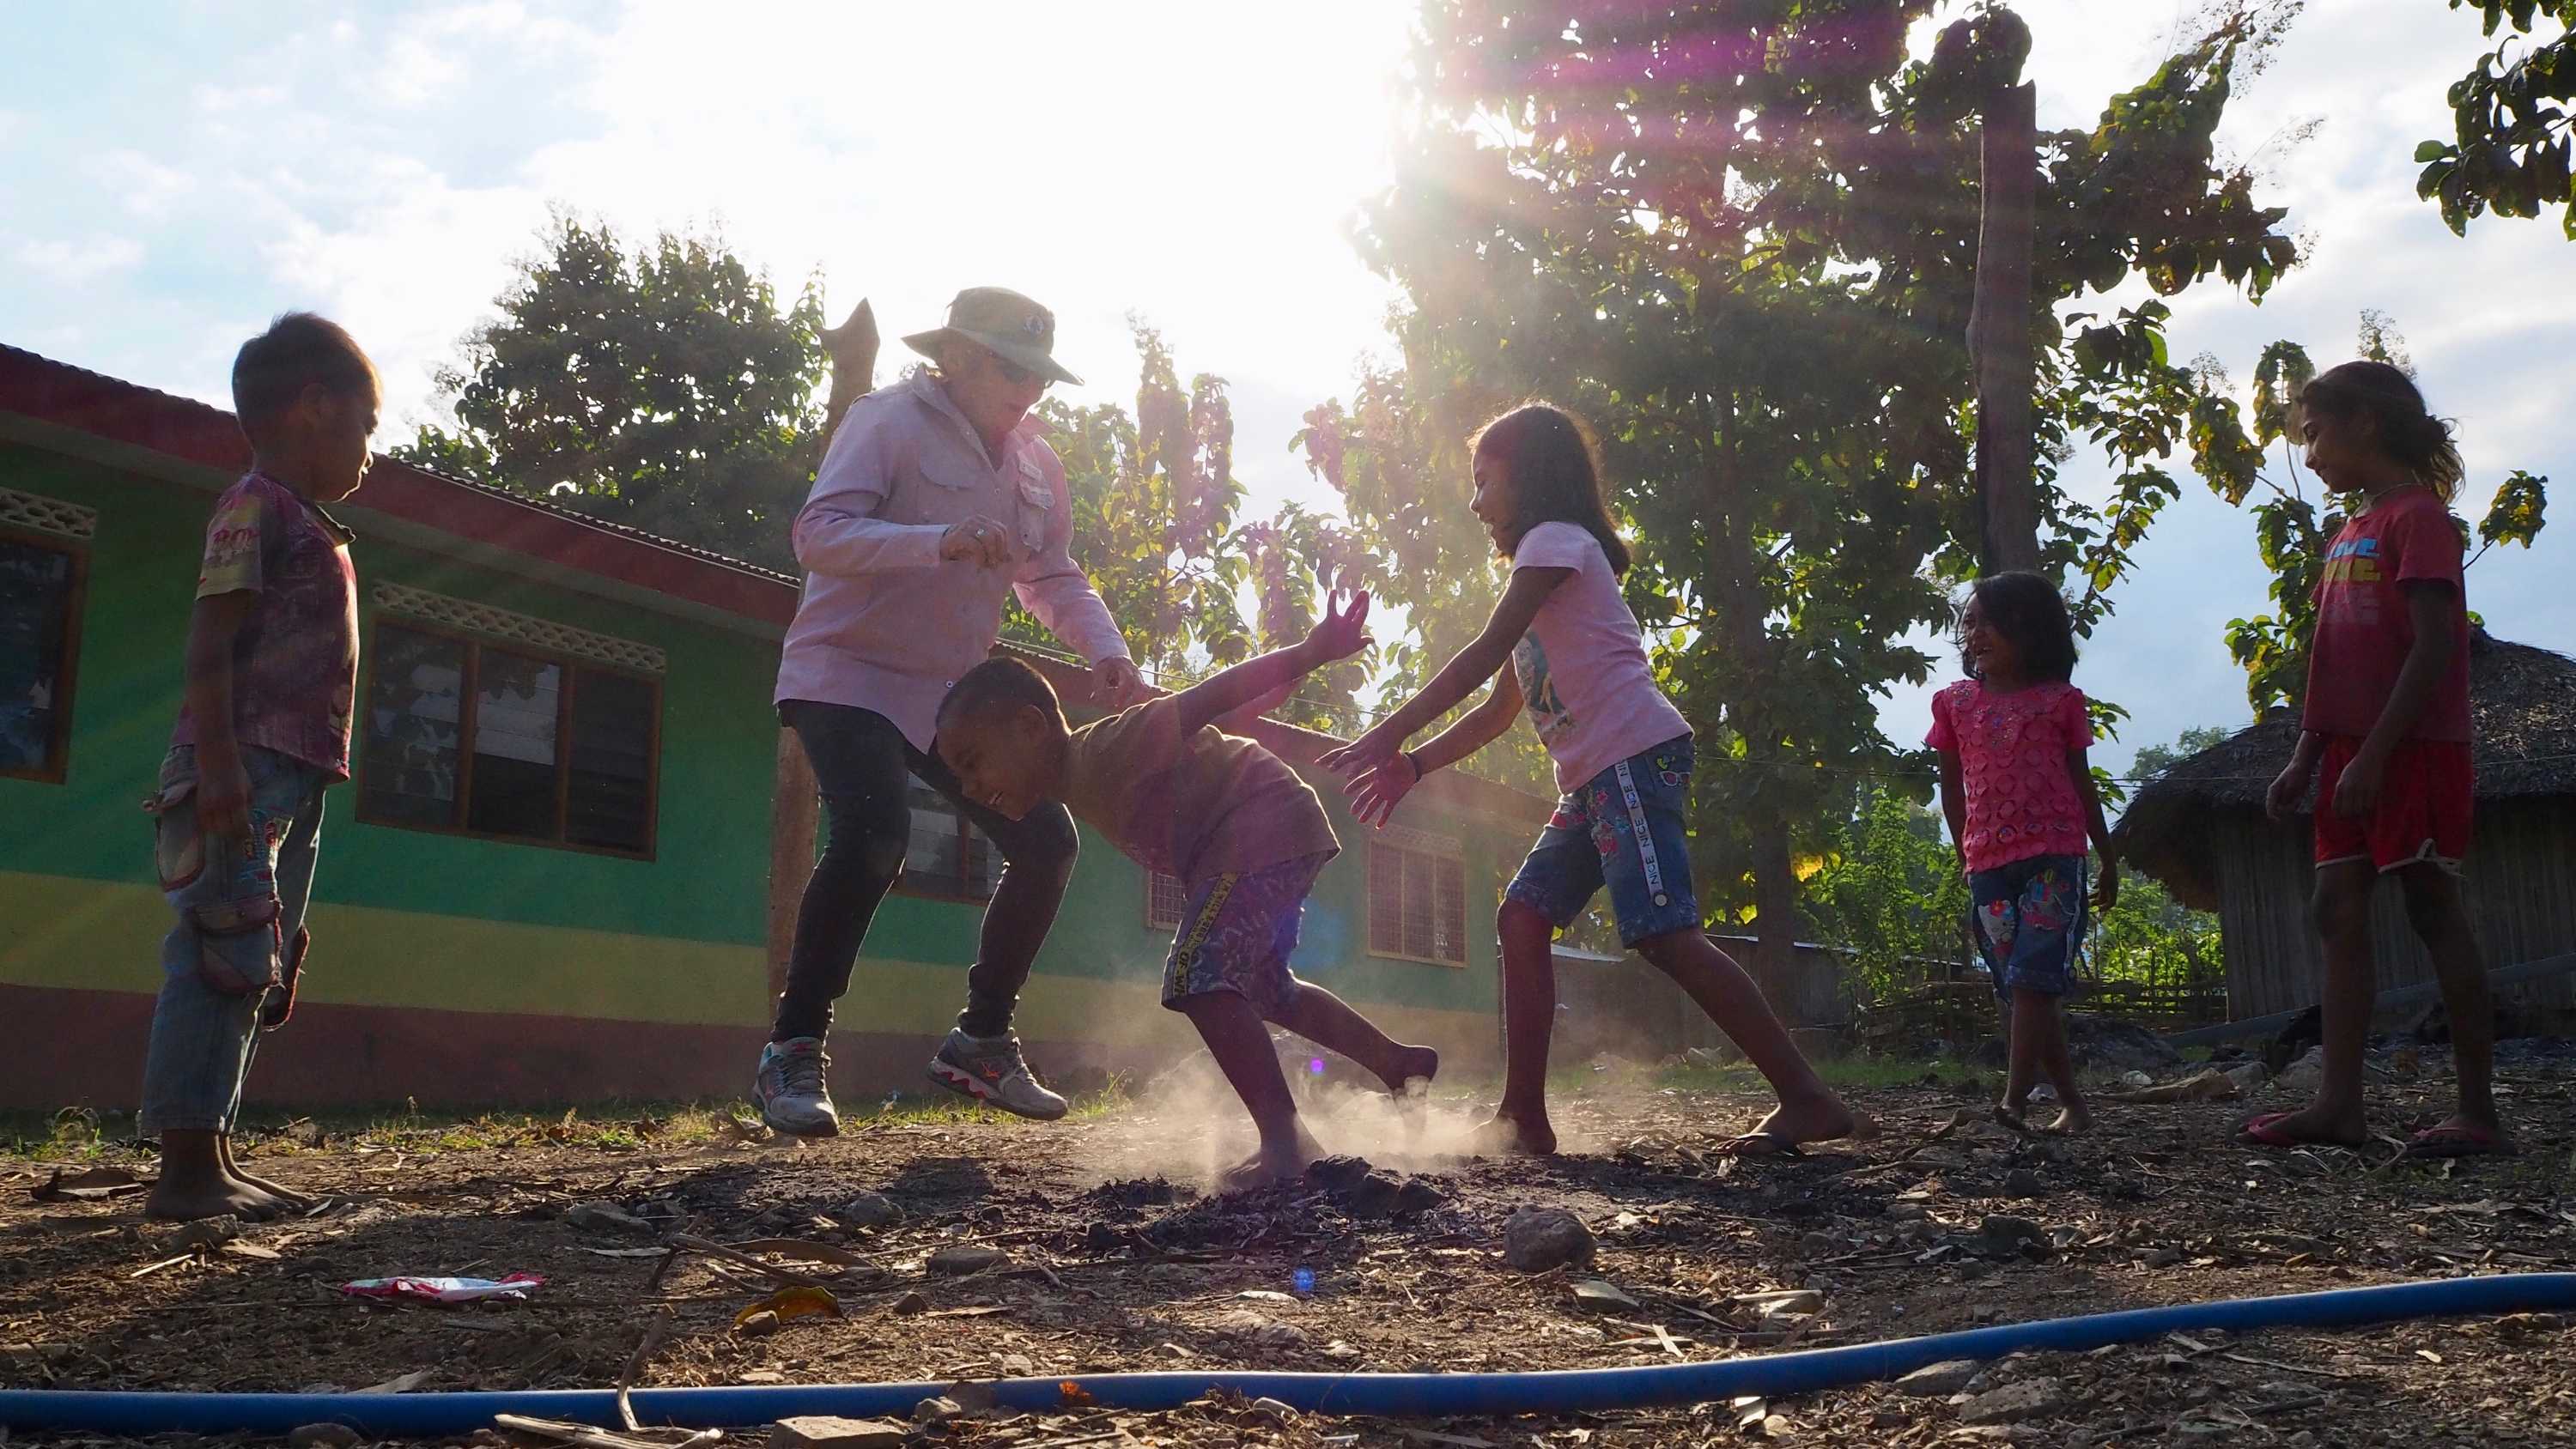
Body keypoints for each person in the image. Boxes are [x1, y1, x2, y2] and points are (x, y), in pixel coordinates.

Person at [1318, 402, 1854, 1158]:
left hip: (1632, 758)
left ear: (1529, 476)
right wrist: (1411, 766)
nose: (1475, 504)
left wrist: (1387, 731)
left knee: (1666, 934)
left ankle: (1807, 1097)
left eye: (1482, 482)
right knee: (1523, 919)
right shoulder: (1541, 576)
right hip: (1595, 781)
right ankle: (1524, 1121)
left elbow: (1480, 653)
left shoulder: (1556, 542)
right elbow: (1498, 712)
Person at [759, 287, 1150, 1137]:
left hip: (946, 691)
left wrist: (1108, 649)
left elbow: (1050, 576)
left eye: (1041, 373)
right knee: (873, 831)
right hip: (845, 669)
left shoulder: (1036, 464)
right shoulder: (887, 420)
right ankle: (793, 1048)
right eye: (1013, 368)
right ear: (960, 358)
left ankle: (981, 1038)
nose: (1030, 389)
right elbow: (818, 535)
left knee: (1048, 836)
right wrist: (933, 540)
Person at [935, 592, 1441, 1187]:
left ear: (1029, 728)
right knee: (1265, 987)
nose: (969, 789)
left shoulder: (1106, 748)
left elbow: (1210, 700)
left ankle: (1288, 1141)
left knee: (1195, 974)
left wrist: (1309, 652)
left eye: (973, 763)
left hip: (1260, 827)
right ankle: (1398, 1064)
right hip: (1272, 832)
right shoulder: (1082, 779)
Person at [142, 312, 378, 1222]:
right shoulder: (255, 506)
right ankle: (186, 1172)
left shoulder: (312, 524)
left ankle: (215, 1150)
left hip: (295, 773)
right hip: (244, 766)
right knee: (219, 954)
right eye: (365, 424)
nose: (370, 450)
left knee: (259, 960)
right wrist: (223, 766)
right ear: (313, 407)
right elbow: (212, 643)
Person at [2243, 361, 2508, 1158]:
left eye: (2315, 433)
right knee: (2334, 910)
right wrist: (2308, 755)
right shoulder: (2348, 533)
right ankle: (2338, 1106)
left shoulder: (2419, 520)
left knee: (2431, 907)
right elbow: (2331, 660)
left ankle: (2478, 1113)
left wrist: (2379, 754)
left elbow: (2434, 648)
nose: (2310, 453)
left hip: (2415, 747)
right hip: (2351, 751)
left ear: (2365, 424)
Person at [1929, 571, 2117, 1136]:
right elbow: (1951, 786)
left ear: (2030, 631)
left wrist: (2106, 856)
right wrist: (1969, 854)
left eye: (1990, 622)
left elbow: (2082, 784)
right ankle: (2074, 1106)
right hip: (1987, 866)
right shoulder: (1955, 703)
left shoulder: (2059, 702)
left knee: (2034, 978)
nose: (1975, 634)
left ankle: (2013, 1099)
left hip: (2054, 857)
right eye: (1969, 623)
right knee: (2022, 984)